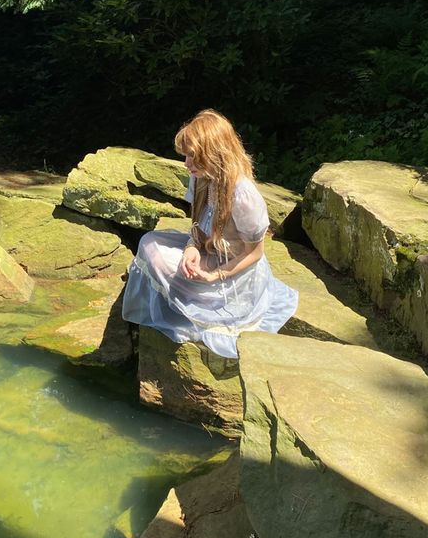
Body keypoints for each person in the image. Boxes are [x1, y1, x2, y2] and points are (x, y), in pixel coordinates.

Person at [122, 109, 298, 358]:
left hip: (233, 268)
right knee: (149, 242)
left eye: (192, 156)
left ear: (214, 154)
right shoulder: (201, 178)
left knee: (175, 270)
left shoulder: (243, 195)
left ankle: (207, 306)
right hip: (208, 249)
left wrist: (216, 276)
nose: (186, 164)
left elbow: (255, 254)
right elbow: (197, 226)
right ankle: (194, 296)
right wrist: (191, 248)